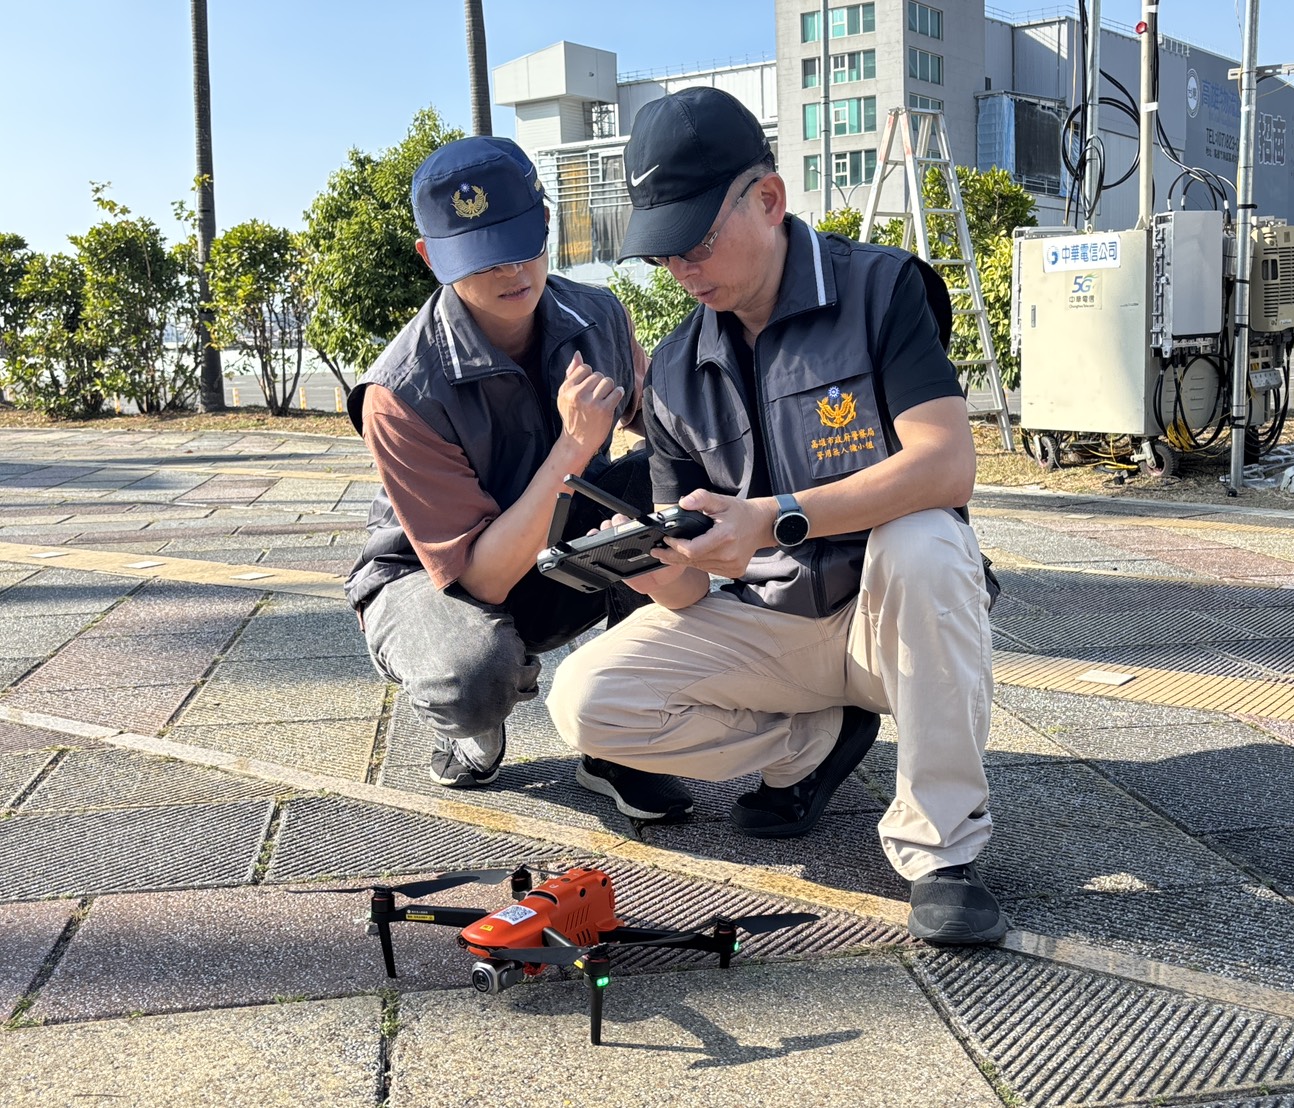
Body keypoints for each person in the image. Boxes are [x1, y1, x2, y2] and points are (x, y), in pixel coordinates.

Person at [547, 89, 1007, 945]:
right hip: (774, 631)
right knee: (585, 702)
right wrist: (662, 567)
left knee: (925, 539)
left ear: (767, 198)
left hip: (891, 616)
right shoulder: (680, 367)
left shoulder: (881, 289)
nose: (681, 268)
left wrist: (771, 519)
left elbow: (947, 463)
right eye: (663, 252)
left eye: (697, 239)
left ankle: (941, 850)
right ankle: (812, 744)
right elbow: (689, 586)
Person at [343, 135, 693, 823]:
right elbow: (481, 580)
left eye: (522, 243)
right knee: (470, 674)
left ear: (545, 223)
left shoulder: (599, 317)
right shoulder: (400, 391)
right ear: (431, 258)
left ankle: (619, 739)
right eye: (482, 258)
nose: (512, 271)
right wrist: (571, 447)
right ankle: (472, 721)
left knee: (674, 489)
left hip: (554, 547)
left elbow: (672, 434)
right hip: (432, 575)